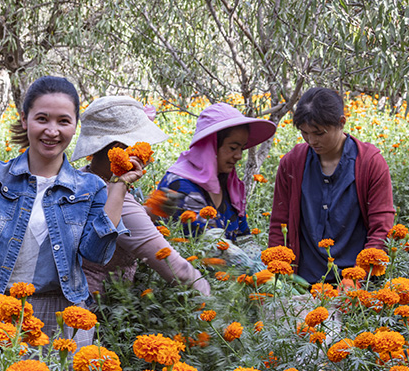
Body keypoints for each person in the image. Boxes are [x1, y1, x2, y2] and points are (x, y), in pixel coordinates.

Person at [0, 76, 142, 337]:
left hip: (62, 312)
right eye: (42, 119)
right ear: (25, 119)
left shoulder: (90, 188)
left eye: (63, 121)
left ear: (75, 127)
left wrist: (119, 186)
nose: (52, 131)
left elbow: (97, 252)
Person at [74, 96, 211, 297]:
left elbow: (119, 228)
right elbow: (177, 270)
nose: (149, 153)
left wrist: (150, 211)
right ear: (120, 150)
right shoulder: (112, 196)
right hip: (100, 311)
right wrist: (215, 302)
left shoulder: (83, 177)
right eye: (142, 144)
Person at [269, 87, 395, 283]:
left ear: (341, 122)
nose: (311, 140)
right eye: (304, 133)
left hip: (355, 285)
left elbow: (381, 228)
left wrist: (359, 278)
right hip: (302, 284)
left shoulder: (370, 163)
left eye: (319, 133)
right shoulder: (292, 163)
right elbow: (279, 223)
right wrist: (278, 277)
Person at [158, 102, 276, 246]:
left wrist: (264, 264)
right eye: (233, 148)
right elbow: (211, 247)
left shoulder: (229, 185)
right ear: (211, 145)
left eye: (242, 148)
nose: (239, 156)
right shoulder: (179, 185)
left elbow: (244, 237)